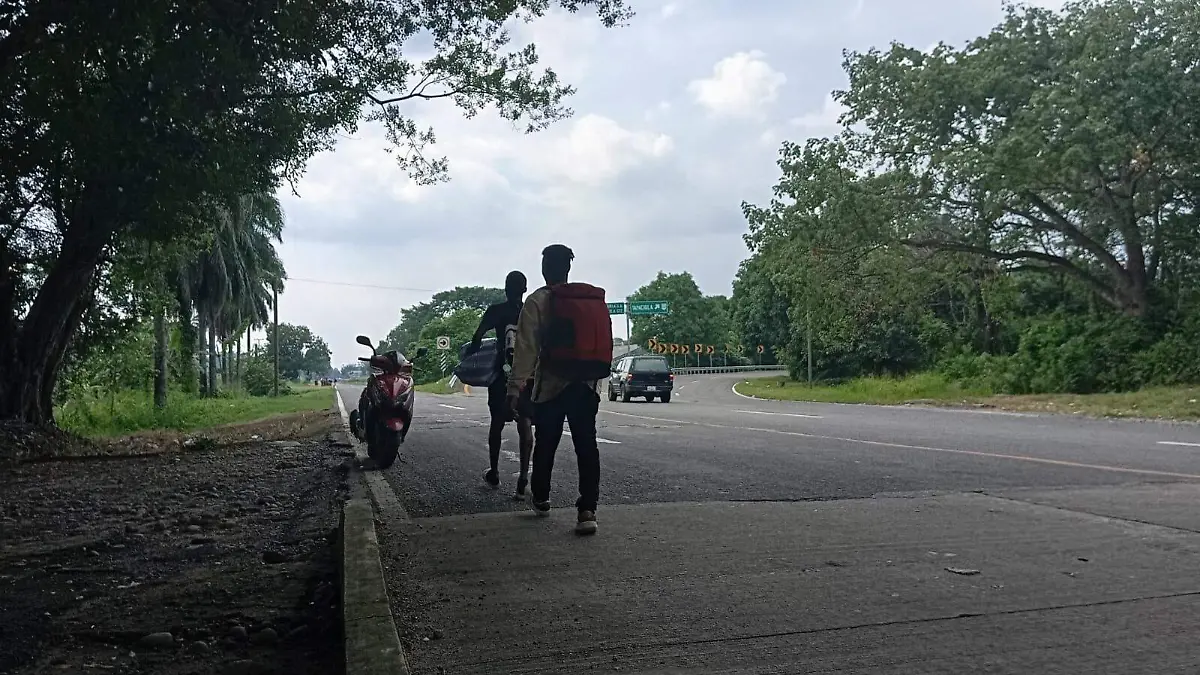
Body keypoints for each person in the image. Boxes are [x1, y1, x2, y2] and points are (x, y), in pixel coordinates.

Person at [508, 244, 612, 535]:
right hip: (586, 384)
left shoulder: (539, 301)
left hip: (552, 383)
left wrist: (515, 388)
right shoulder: (591, 300)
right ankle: (588, 510)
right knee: (586, 445)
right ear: (567, 269)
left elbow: (526, 349)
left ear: (544, 269)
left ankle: (541, 497)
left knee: (547, 442)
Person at [466, 271, 533, 499]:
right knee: (525, 422)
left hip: (500, 374)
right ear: (524, 289)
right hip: (527, 374)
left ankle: (494, 471)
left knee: (497, 422)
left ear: (506, 288)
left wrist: (471, 356)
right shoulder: (530, 311)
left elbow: (477, 338)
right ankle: (524, 477)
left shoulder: (496, 311)